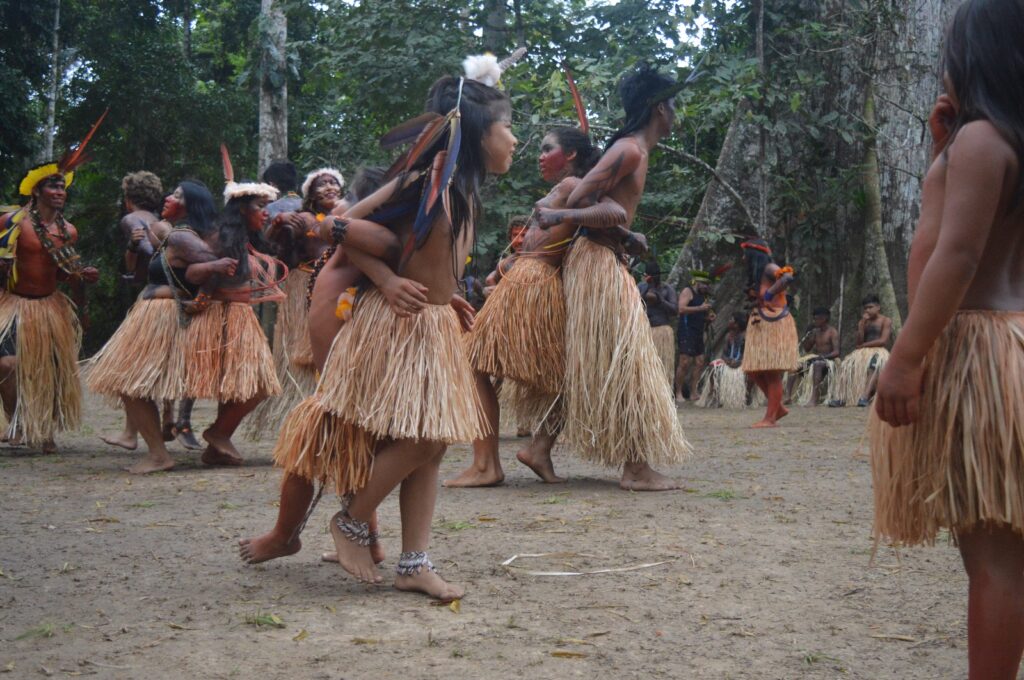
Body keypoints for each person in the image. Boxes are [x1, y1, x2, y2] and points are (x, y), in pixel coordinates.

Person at [246, 55, 519, 602]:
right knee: (426, 436)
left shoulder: (460, 189)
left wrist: (454, 296)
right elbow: (340, 227)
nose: (515, 140)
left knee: (431, 446)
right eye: (507, 128)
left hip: (432, 323)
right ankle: (351, 520)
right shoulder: (425, 179)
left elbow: (425, 254)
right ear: (473, 134)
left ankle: (414, 562)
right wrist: (385, 279)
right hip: (400, 327)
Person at [871, 3, 1024, 677]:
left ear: (972, 58)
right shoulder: (1004, 143)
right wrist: (942, 156)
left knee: (995, 558)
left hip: (981, 351)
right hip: (1015, 344)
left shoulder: (981, 142)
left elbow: (952, 258)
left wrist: (905, 359)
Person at [535, 63, 692, 490]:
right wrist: (622, 229)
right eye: (673, 104)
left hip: (602, 259)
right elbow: (585, 196)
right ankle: (637, 470)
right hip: (599, 262)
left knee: (597, 358)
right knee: (629, 359)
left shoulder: (631, 150)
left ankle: (539, 447)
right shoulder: (630, 150)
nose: (676, 112)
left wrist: (626, 235)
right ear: (660, 108)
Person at [446, 125, 606, 488]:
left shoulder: (569, 187)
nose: (539, 155)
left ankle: (488, 464)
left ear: (571, 156)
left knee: (476, 363)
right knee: (557, 374)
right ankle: (536, 450)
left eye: (548, 148)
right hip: (531, 282)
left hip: (532, 285)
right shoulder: (568, 189)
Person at [88, 181, 235, 473]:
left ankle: (159, 454)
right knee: (127, 384)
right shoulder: (171, 232)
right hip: (151, 316)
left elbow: (221, 266)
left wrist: (203, 295)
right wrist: (136, 244)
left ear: (192, 205)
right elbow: (139, 270)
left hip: (166, 316)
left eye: (177, 195)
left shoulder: (183, 236)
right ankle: (156, 448)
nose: (168, 197)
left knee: (128, 384)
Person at [0, 137, 102, 453]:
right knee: (7, 366)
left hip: (50, 305)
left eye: (62, 188)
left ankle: (44, 430)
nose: (59, 192)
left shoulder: (67, 230)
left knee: (53, 372)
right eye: (52, 187)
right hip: (13, 303)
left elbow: (61, 273)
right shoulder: (13, 223)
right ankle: (16, 420)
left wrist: (80, 280)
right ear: (37, 191)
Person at [177, 176, 286, 465]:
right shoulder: (218, 237)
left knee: (249, 386)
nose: (266, 213)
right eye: (260, 206)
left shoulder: (246, 238)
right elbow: (192, 273)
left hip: (241, 316)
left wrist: (273, 230)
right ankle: (218, 434)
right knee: (255, 386)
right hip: (222, 316)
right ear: (241, 209)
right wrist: (209, 282)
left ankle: (216, 445)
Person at [100, 172, 202, 452]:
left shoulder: (132, 219)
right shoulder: (164, 220)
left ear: (127, 198)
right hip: (162, 299)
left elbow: (147, 257)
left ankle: (138, 433)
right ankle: (138, 428)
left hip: (156, 300)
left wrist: (140, 246)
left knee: (133, 370)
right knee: (161, 363)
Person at [247, 168, 341, 438]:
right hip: (306, 287)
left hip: (340, 291)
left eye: (333, 182)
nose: (329, 187)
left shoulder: (347, 214)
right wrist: (277, 227)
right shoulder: (303, 217)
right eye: (322, 184)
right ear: (310, 193)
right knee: (304, 353)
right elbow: (270, 245)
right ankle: (303, 418)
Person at [739, 238, 798, 428]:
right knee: (754, 370)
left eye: (745, 255)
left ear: (754, 255)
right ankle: (777, 408)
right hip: (761, 323)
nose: (742, 258)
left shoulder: (770, 267)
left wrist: (769, 294)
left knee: (772, 372)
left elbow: (787, 277)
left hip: (775, 324)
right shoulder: (757, 275)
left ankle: (770, 418)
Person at [834, 294, 892, 406]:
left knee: (874, 365)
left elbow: (883, 341)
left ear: (878, 307)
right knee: (846, 365)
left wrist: (864, 345)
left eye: (870, 307)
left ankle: (864, 397)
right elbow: (858, 343)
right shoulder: (864, 322)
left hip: (879, 352)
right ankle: (841, 398)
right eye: (865, 308)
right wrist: (861, 326)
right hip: (863, 352)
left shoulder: (885, 320)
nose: (868, 310)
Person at [786, 306, 840, 406]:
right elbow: (807, 348)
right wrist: (808, 334)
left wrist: (824, 357)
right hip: (816, 358)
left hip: (828, 361)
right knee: (794, 365)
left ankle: (814, 398)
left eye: (816, 319)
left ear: (824, 319)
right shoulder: (816, 332)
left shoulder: (832, 332)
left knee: (818, 364)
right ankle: (788, 396)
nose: (814, 321)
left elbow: (836, 352)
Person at [697, 312, 752, 409]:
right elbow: (724, 354)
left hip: (743, 361)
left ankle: (747, 395)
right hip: (729, 361)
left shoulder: (747, 336)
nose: (729, 321)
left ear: (737, 324)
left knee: (753, 370)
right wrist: (727, 360)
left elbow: (749, 354)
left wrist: (740, 361)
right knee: (713, 366)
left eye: (731, 320)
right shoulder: (728, 336)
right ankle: (716, 395)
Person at [639, 260, 678, 389]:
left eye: (654, 275)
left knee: (662, 365)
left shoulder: (667, 289)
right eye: (649, 275)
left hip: (662, 331)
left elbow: (674, 310)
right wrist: (645, 294)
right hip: (644, 331)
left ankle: (662, 391)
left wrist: (660, 299)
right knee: (644, 365)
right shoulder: (640, 287)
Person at [676, 272, 713, 401]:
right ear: (697, 283)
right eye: (704, 284)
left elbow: (702, 313)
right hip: (686, 330)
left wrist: (708, 318)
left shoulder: (704, 296)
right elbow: (681, 309)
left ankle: (693, 392)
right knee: (684, 362)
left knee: (699, 362)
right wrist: (700, 308)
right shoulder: (688, 291)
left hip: (698, 332)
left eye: (708, 285)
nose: (707, 287)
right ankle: (678, 392)